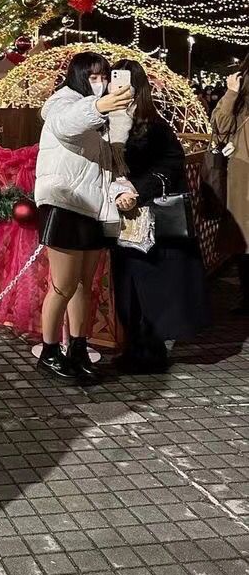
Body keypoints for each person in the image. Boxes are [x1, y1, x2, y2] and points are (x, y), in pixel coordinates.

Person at [34, 52, 133, 384]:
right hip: (64, 204)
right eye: (93, 76)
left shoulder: (103, 115)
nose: (101, 82)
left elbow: (110, 164)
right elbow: (67, 125)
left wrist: (122, 188)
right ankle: (49, 352)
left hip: (93, 208)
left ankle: (78, 347)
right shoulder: (63, 102)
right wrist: (100, 106)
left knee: (83, 286)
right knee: (62, 286)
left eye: (105, 76)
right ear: (77, 76)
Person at [110, 59, 210, 369]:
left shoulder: (153, 125)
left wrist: (138, 190)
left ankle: (150, 351)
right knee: (127, 284)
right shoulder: (104, 120)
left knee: (150, 285)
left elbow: (171, 163)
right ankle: (135, 347)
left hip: (149, 221)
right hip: (118, 218)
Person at [212, 55, 249, 312]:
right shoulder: (238, 104)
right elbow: (219, 129)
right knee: (242, 244)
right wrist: (231, 94)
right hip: (241, 179)